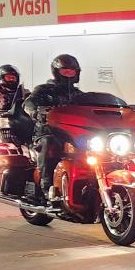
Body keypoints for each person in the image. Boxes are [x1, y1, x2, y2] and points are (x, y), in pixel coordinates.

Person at [24, 54, 83, 203]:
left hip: (72, 134)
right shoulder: (44, 90)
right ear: (57, 72)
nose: (68, 75)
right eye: (65, 71)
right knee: (49, 143)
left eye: (71, 71)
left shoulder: (80, 95)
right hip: (47, 131)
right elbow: (29, 103)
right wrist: (35, 111)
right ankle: (47, 186)